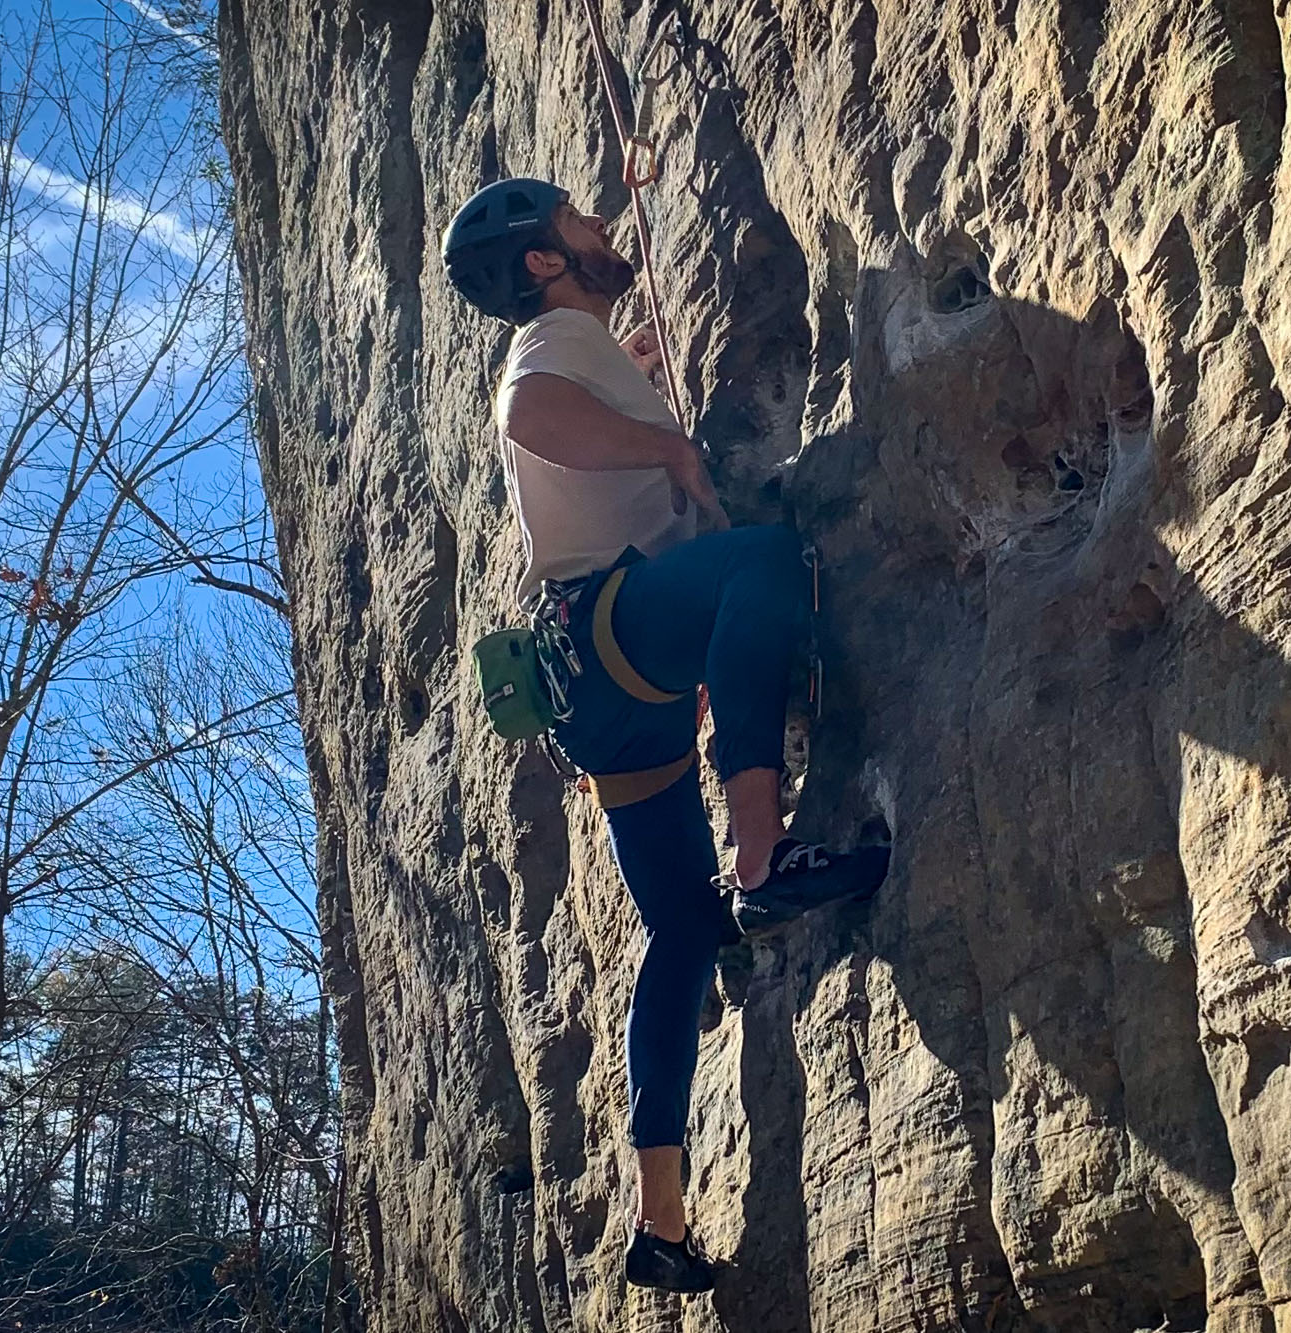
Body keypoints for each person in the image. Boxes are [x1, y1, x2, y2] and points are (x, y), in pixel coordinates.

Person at [443, 177, 889, 1294]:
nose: (599, 228)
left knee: (680, 935)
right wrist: (667, 454)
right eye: (577, 223)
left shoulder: (577, 341)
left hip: (598, 694)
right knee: (763, 561)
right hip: (611, 629)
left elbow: (564, 413)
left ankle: (659, 1220)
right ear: (544, 263)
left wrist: (632, 382)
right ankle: (763, 851)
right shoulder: (548, 341)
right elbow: (530, 418)